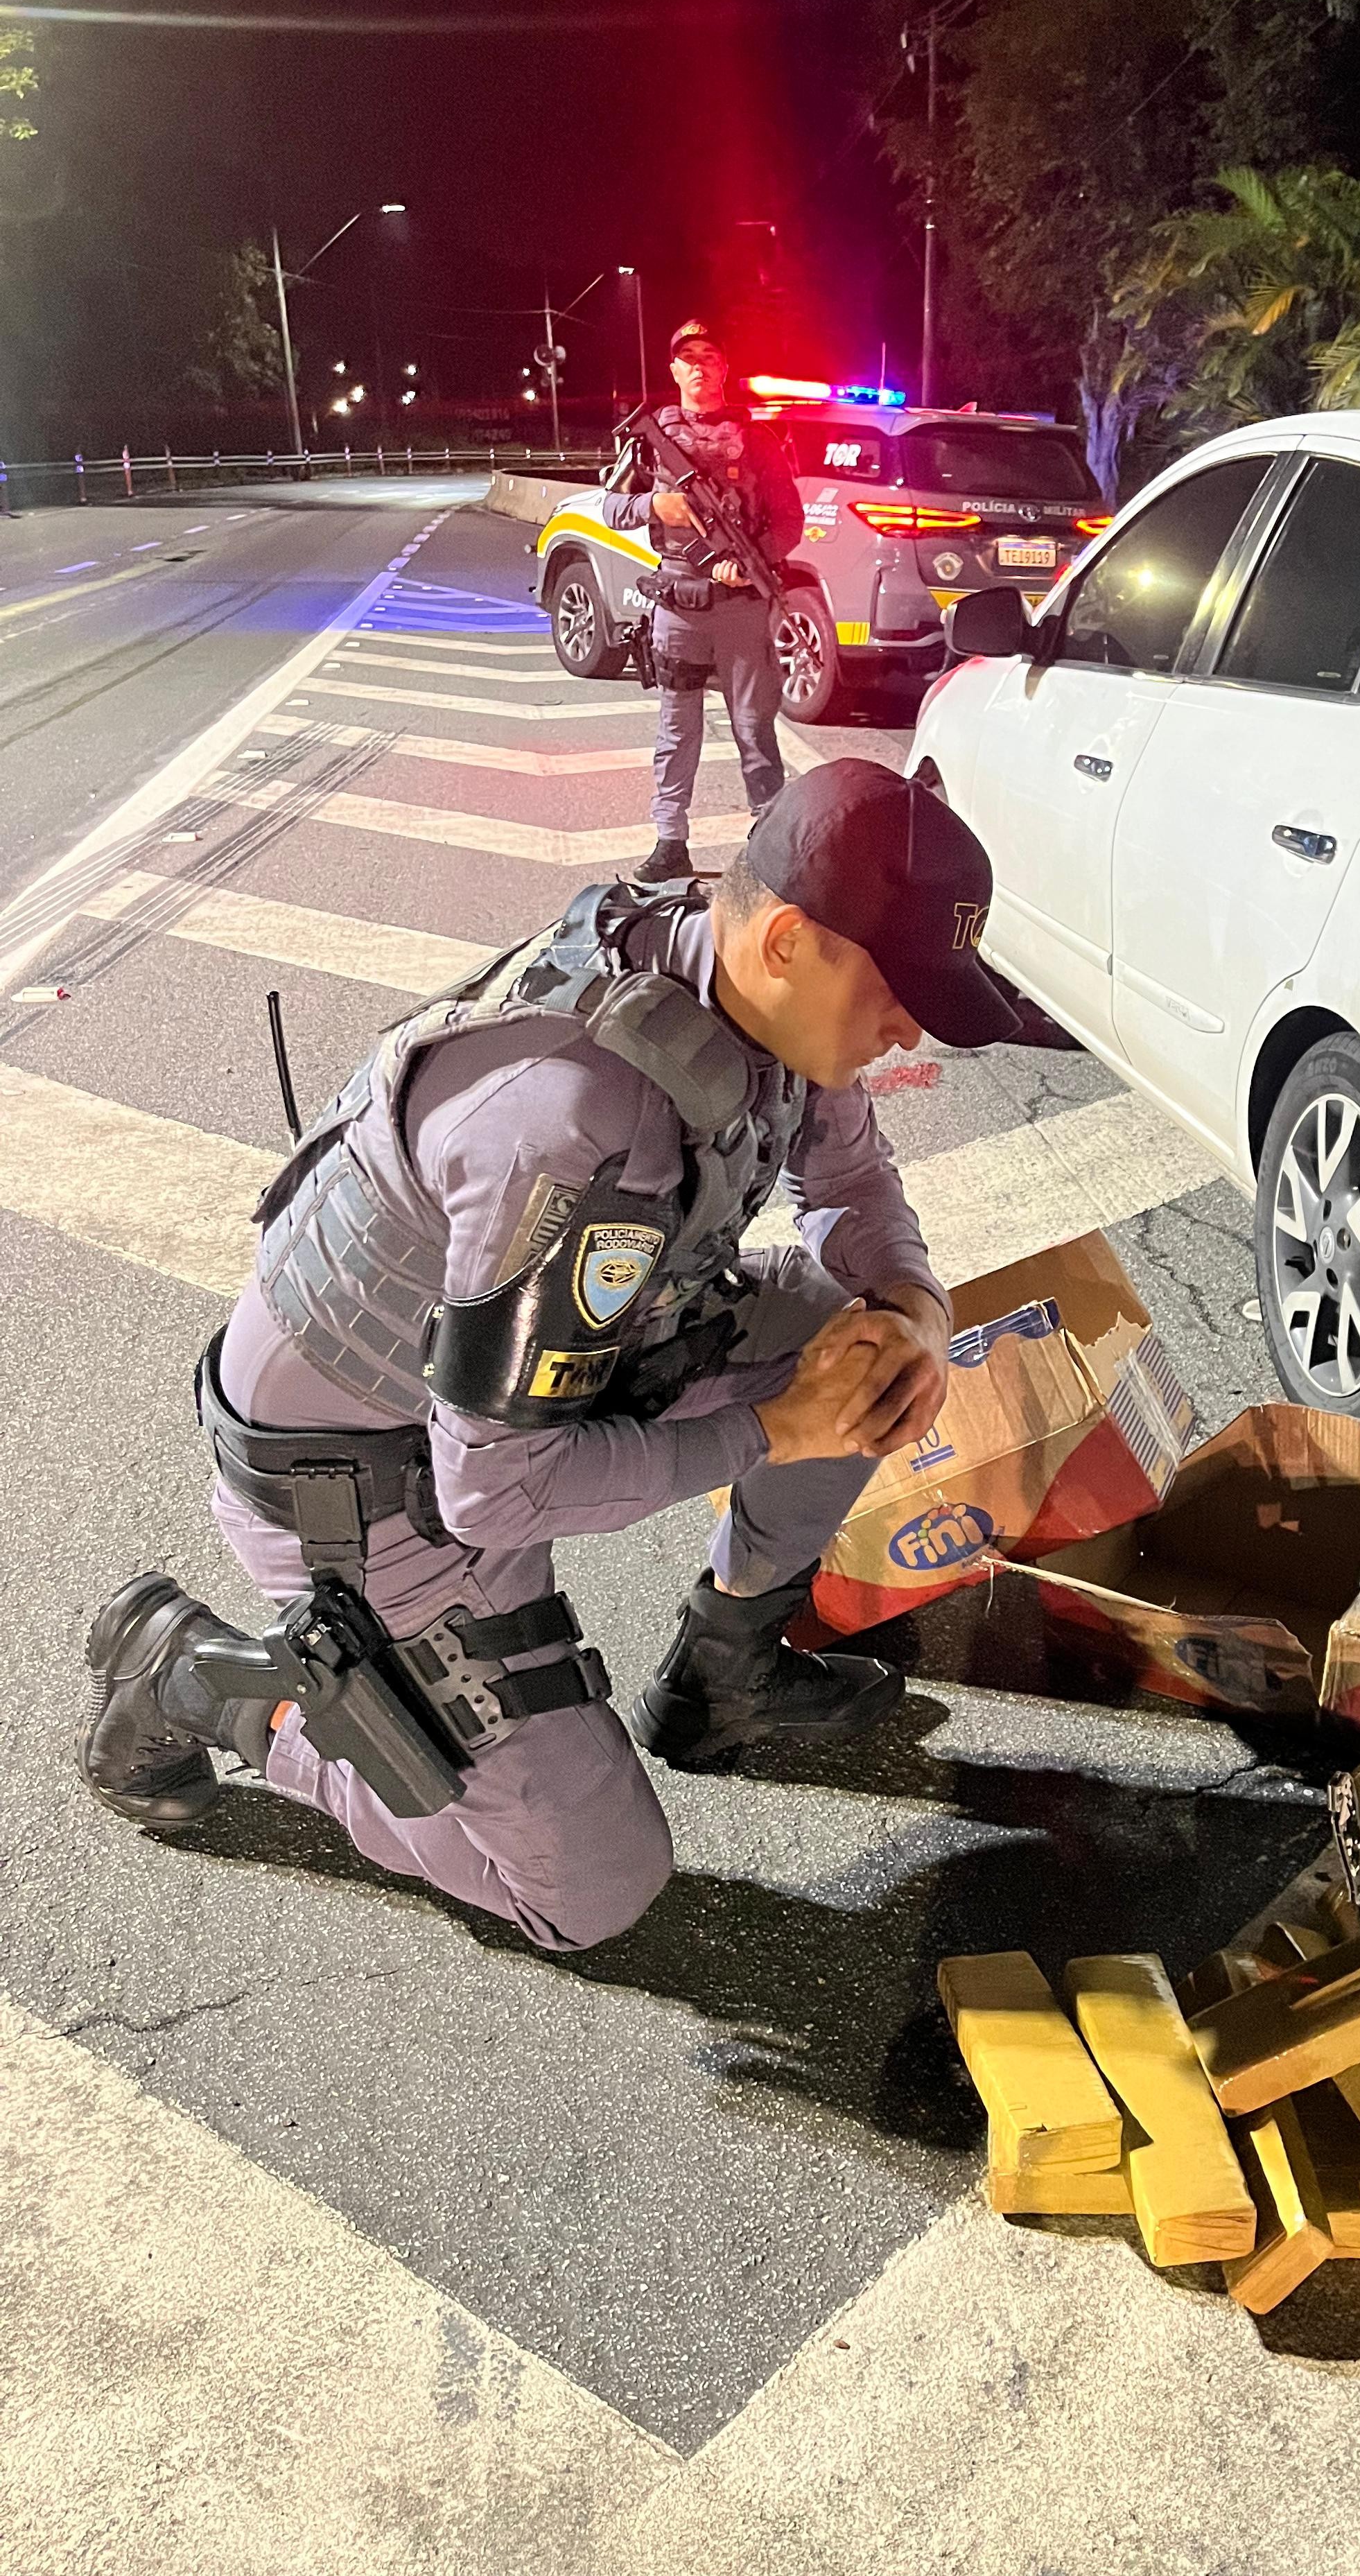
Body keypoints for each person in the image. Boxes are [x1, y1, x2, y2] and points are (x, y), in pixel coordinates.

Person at [77, 761, 1021, 1953]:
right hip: (374, 1494)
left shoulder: (728, 979)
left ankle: (719, 1672)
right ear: (787, 939)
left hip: (519, 1394)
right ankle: (221, 1689)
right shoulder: (579, 1129)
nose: (913, 1028)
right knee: (590, 1891)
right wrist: (778, 1432)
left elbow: (846, 1179)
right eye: (899, 992)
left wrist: (912, 1308)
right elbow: (493, 1496)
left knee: (859, 1345)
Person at [609, 317, 806, 881]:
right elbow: (610, 508)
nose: (699, 366)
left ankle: (767, 842)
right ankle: (670, 841)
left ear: (725, 369)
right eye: (688, 357)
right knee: (678, 730)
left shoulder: (759, 441)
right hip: (678, 608)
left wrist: (750, 563)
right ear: (674, 370)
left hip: (742, 609)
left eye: (710, 357)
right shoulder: (652, 444)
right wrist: (657, 508)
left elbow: (790, 522)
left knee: (754, 727)